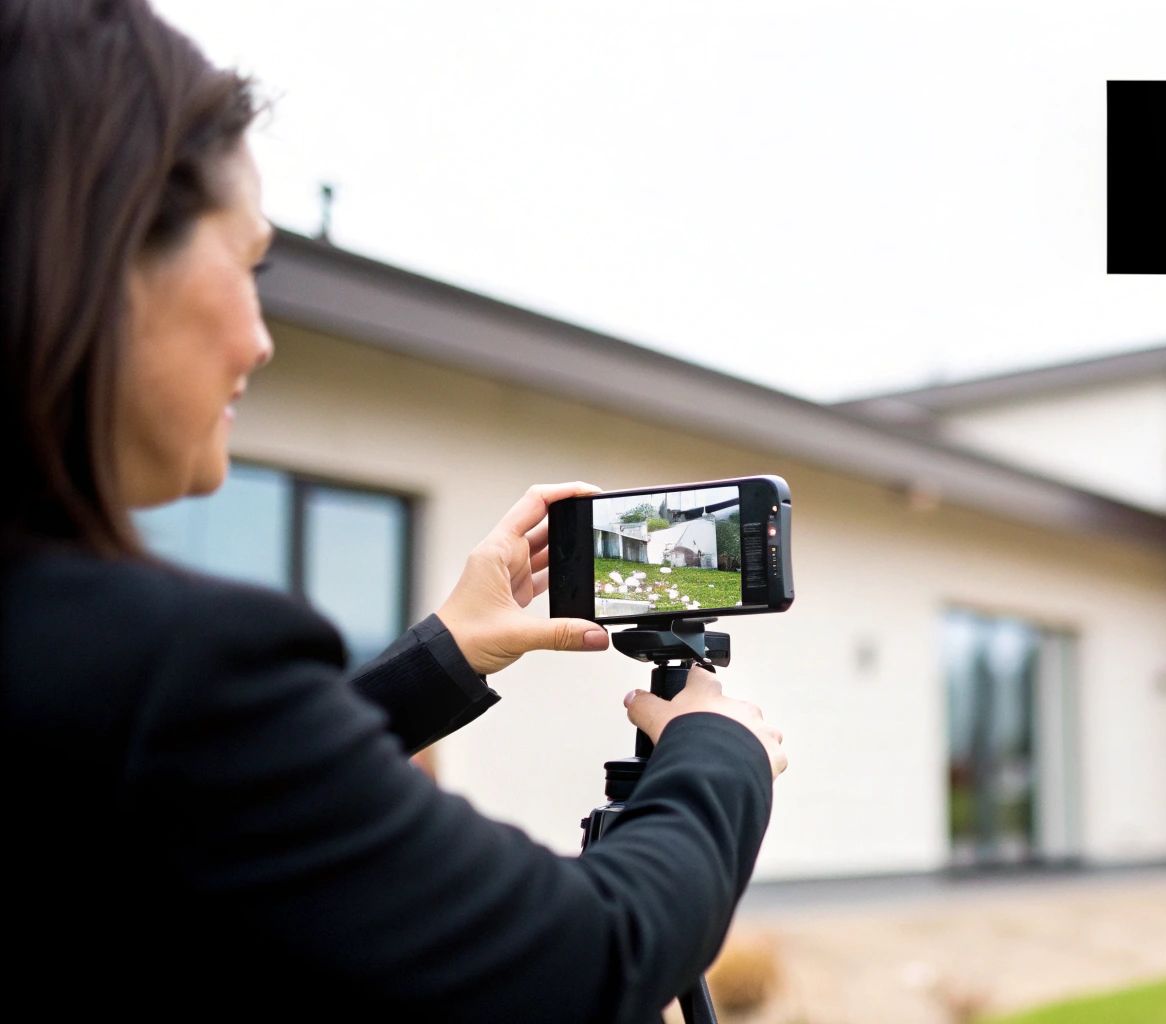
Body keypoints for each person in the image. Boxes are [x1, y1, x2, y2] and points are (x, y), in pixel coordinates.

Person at [0, 1, 786, 1019]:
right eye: (250, 267)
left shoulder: (70, 668)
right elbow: (586, 962)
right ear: (103, 249)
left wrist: (445, 655)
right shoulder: (166, 665)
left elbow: (218, 799)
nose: (261, 338)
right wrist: (719, 753)